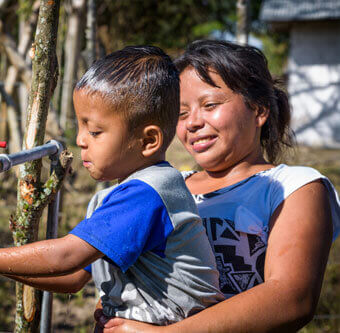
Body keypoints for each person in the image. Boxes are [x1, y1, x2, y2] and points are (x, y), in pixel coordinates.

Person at [0, 45, 224, 326]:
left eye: (94, 131)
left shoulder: (148, 195)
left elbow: (66, 257)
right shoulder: (123, 197)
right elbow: (75, 276)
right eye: (80, 127)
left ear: (147, 141)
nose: (80, 140)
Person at [95, 39, 340, 332]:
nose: (193, 123)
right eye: (181, 114)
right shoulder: (163, 187)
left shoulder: (293, 186)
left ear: (259, 110)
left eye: (210, 105)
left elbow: (292, 298)